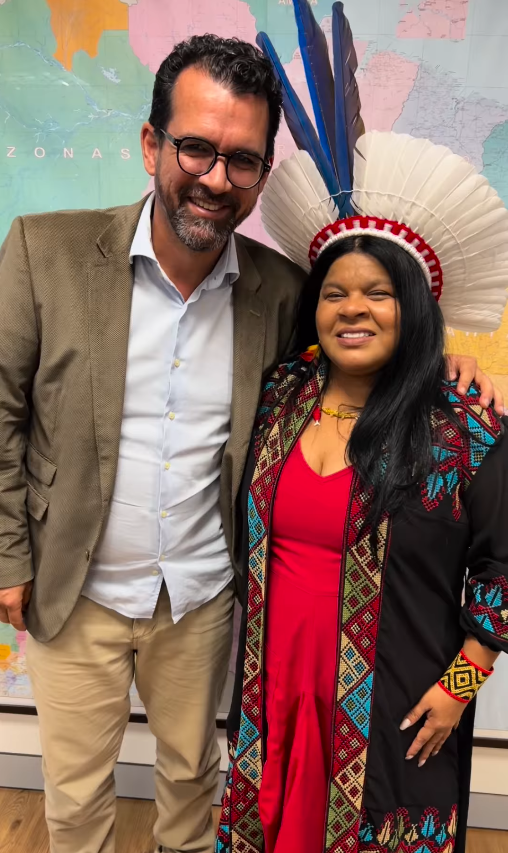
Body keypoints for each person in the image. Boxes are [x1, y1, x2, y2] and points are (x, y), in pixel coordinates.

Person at [0, 32, 499, 853]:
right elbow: (4, 412)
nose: (214, 178)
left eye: (241, 160)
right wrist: (10, 555)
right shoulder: (43, 252)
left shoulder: (283, 293)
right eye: (196, 147)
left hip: (203, 602)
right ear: (152, 143)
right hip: (78, 592)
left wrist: (449, 364)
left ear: (262, 174)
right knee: (76, 801)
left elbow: (374, 336)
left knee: (192, 788)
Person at [215, 132, 508, 853]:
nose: (354, 309)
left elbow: (503, 564)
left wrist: (462, 683)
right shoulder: (281, 393)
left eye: (379, 293)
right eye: (335, 293)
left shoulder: (464, 426)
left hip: (396, 701)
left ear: (415, 307)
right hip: (274, 689)